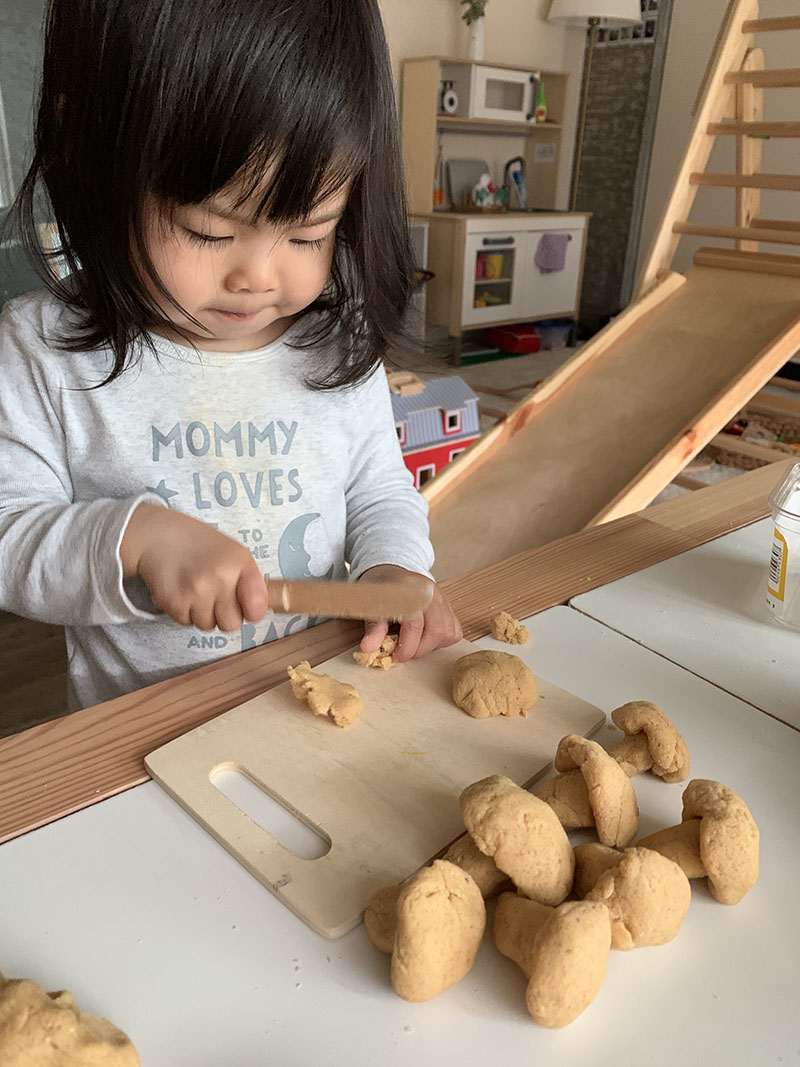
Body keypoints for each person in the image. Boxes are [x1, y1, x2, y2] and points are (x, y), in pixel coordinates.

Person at [0, 0, 462, 713]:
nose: (260, 275)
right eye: (210, 231)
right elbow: (10, 534)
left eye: (309, 234)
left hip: (310, 703)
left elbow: (377, 486)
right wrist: (133, 538)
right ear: (96, 156)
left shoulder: (334, 345)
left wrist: (396, 565)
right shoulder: (44, 353)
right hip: (136, 739)